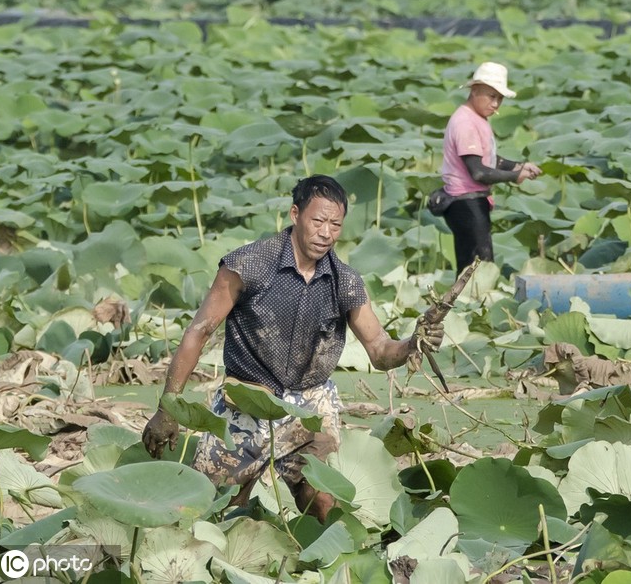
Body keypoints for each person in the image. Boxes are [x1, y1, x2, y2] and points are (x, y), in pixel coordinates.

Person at [142, 175, 443, 522]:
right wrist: (169, 407)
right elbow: (199, 331)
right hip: (248, 400)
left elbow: (378, 348)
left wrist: (412, 342)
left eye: (335, 224)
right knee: (213, 509)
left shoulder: (345, 282)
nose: (326, 232)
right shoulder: (248, 265)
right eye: (318, 221)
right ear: (295, 214)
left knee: (322, 499)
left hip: (310, 403)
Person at [439, 62, 542, 273]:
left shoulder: (477, 118)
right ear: (474, 90)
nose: (496, 103)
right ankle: (470, 304)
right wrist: (515, 176)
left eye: (500, 98)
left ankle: (472, 303)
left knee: (479, 265)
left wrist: (520, 166)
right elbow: (479, 171)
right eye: (491, 96)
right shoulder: (464, 123)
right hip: (464, 202)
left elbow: (489, 159)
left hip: (473, 201)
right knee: (476, 267)